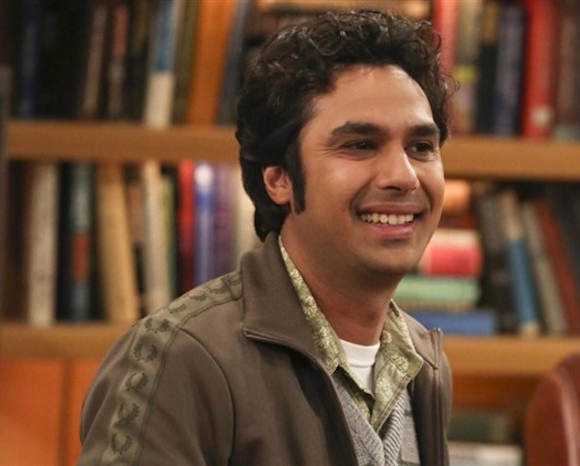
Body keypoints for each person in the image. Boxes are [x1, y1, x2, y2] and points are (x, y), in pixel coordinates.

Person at [79, 9, 454, 466]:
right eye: (360, 145)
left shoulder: (423, 364)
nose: (403, 176)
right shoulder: (178, 358)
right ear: (279, 179)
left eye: (421, 147)